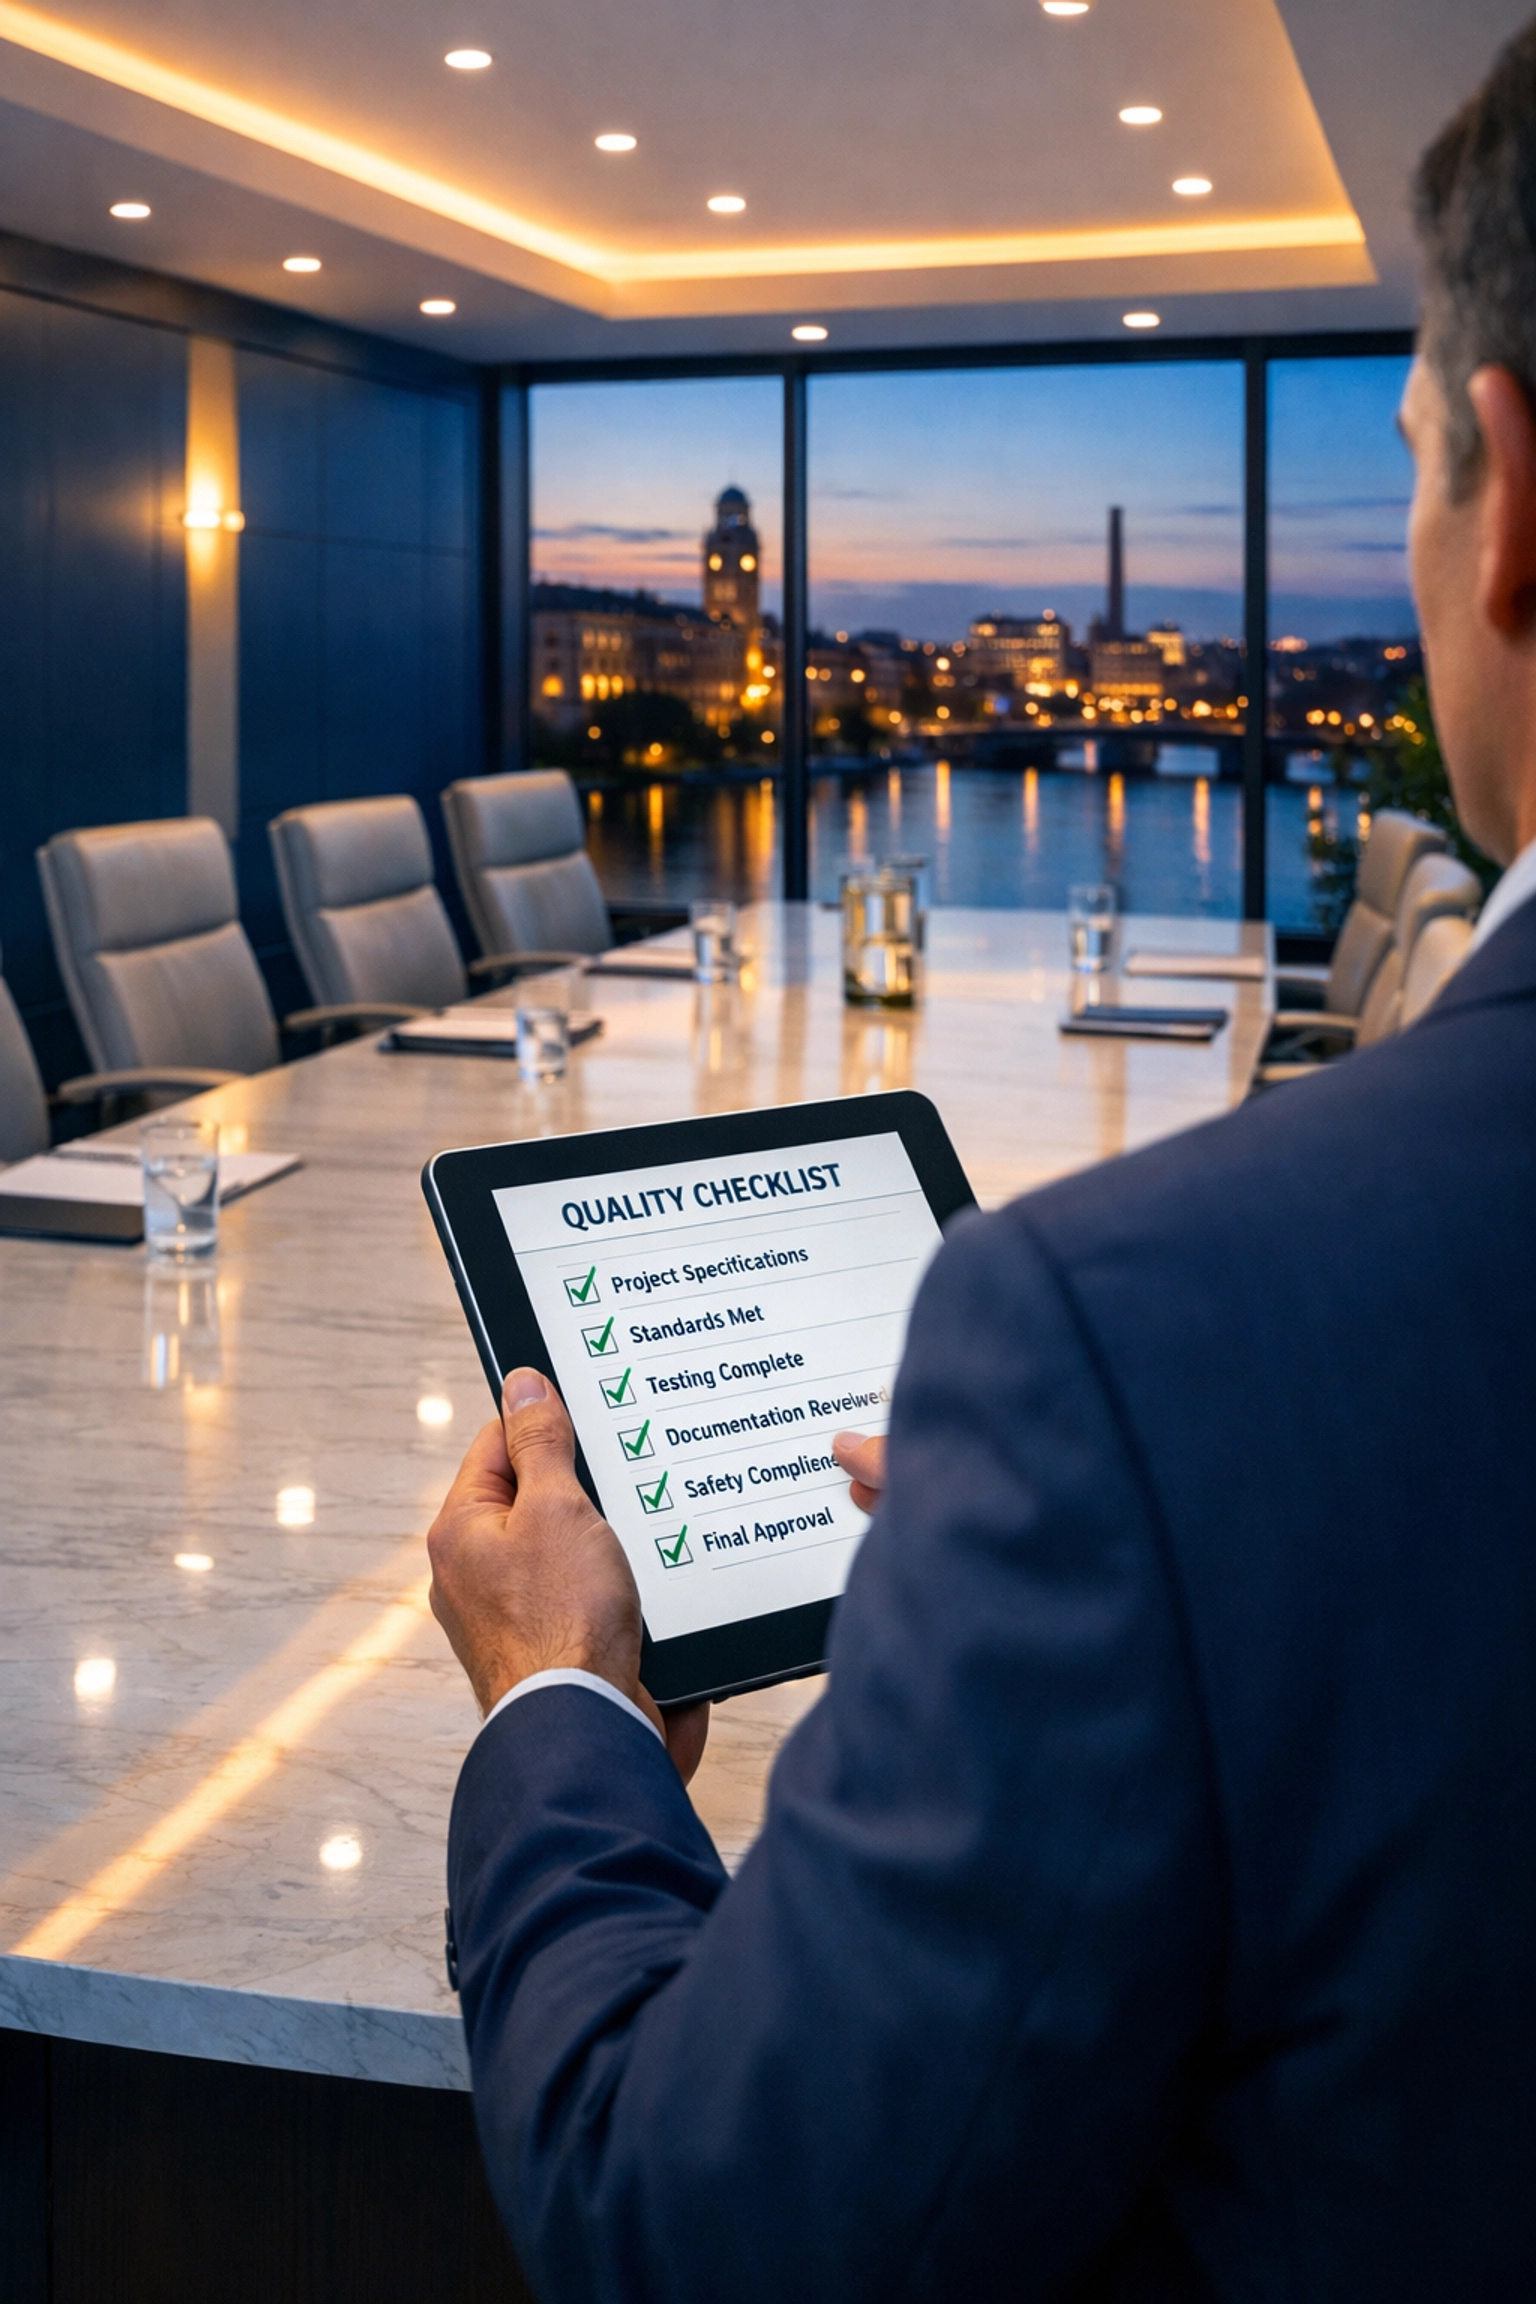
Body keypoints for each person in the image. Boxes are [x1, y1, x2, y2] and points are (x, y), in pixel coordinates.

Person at [428, 31, 1536, 2300]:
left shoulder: (1132, 1349)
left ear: (1508, 506)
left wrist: (556, 1687)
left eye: (1409, 465)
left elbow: (700, 2227)